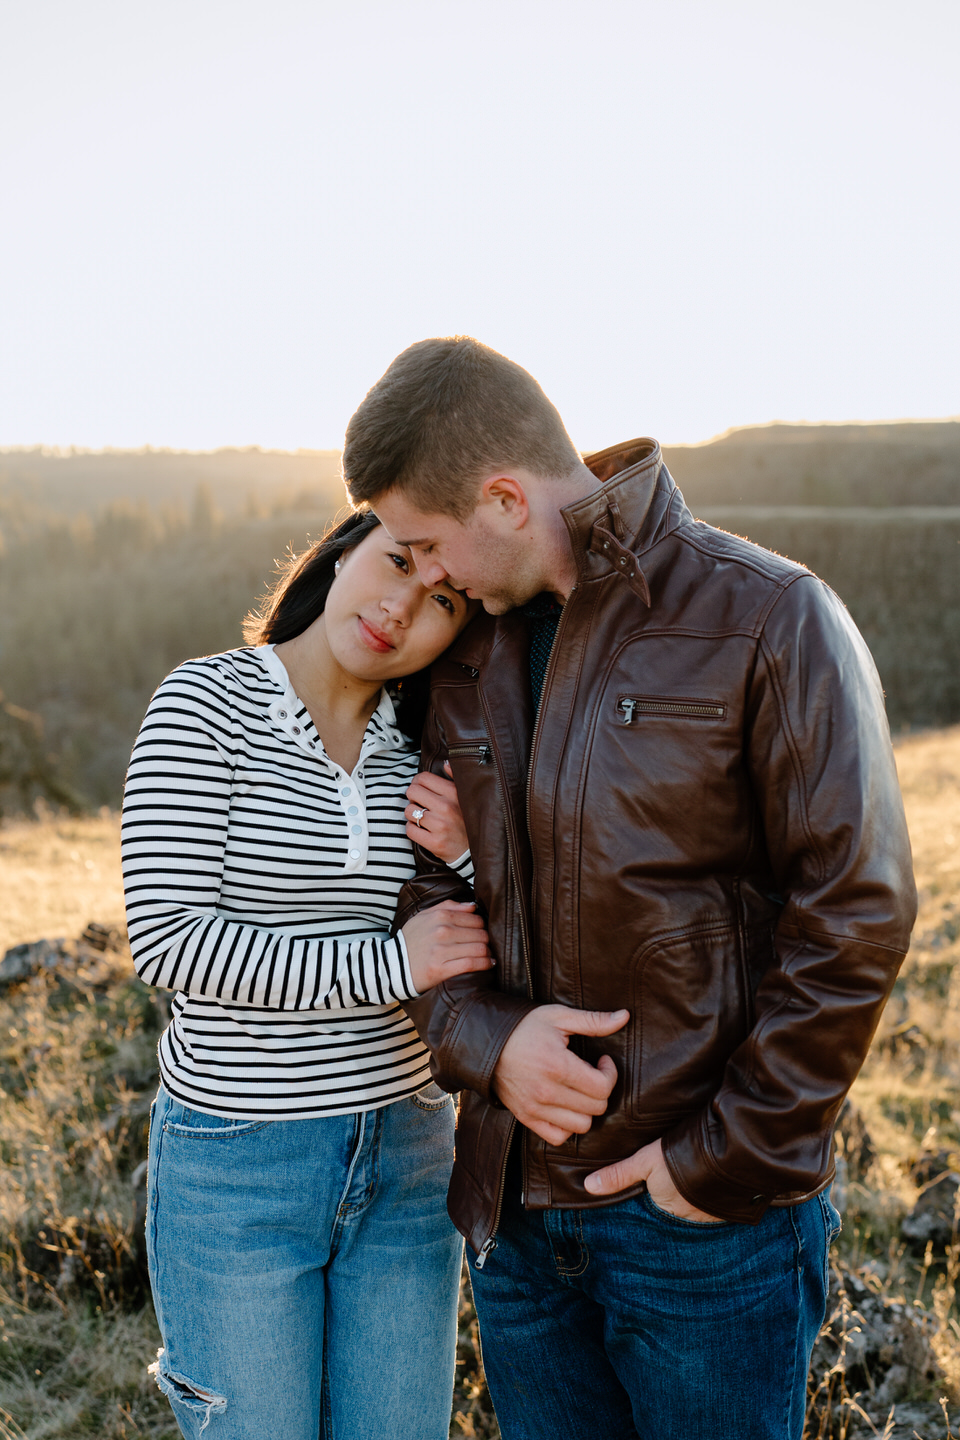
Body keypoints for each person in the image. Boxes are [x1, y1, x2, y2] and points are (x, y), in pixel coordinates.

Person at [341, 336, 918, 1440]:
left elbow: (857, 909)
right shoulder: (466, 656)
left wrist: (719, 1165)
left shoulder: (770, 616)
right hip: (513, 1224)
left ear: (504, 496)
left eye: (426, 542)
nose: (428, 578)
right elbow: (422, 883)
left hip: (703, 1232)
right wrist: (488, 1042)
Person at [121, 509, 491, 1440]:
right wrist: (387, 964)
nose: (402, 607)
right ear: (341, 554)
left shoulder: (423, 751)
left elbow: (478, 936)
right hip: (241, 1161)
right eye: (396, 562)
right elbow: (168, 939)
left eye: (442, 599)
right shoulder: (204, 704)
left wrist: (471, 855)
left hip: (409, 1155)